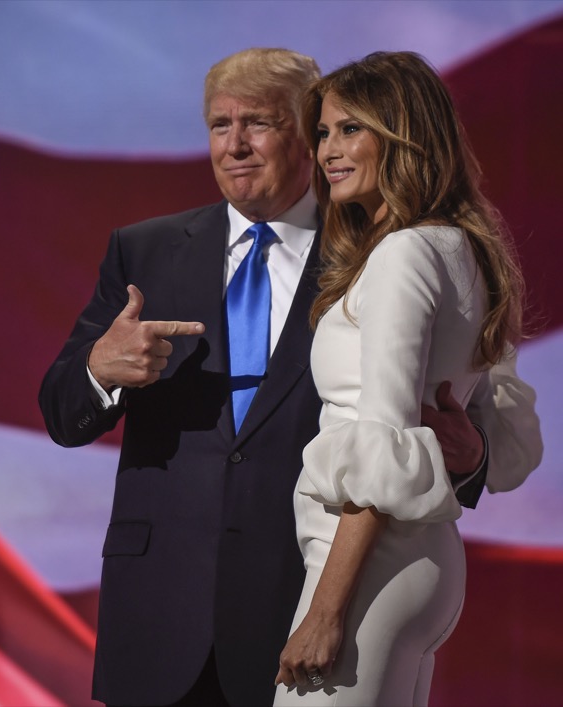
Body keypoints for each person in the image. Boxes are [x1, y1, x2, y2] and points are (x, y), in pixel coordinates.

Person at [39, 48, 540, 706]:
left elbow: (468, 397)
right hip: (160, 614)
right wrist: (101, 371)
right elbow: (60, 408)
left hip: (310, 592)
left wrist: (471, 453)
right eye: (220, 125)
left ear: (304, 135)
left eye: (261, 123)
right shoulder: (145, 251)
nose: (237, 144)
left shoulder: (378, 243)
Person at [273, 51, 542, 705]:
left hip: (372, 566)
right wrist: (471, 448)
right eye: (325, 133)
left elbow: (385, 443)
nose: (328, 151)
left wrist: (325, 611)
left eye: (350, 130)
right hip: (415, 561)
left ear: (402, 135)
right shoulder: (464, 249)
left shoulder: (405, 252)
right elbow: (504, 445)